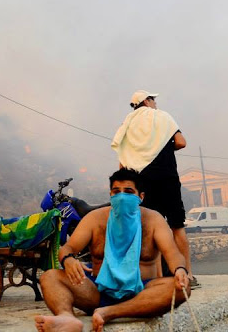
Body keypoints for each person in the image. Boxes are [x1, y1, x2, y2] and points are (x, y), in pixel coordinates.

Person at [35, 169, 190, 332]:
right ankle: (66, 317)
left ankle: (109, 313)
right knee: (49, 277)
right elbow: (68, 248)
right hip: (98, 291)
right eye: (116, 192)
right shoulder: (95, 218)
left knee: (181, 288)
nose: (122, 197)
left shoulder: (154, 219)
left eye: (128, 191)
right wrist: (69, 260)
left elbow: (173, 253)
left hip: (142, 293)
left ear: (140, 197)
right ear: (110, 195)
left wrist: (180, 269)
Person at [111, 90, 194, 283]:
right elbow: (181, 142)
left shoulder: (127, 124)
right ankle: (188, 274)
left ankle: (156, 278)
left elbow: (123, 162)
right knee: (177, 226)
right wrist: (163, 147)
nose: (155, 103)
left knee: (149, 228)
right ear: (147, 101)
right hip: (167, 178)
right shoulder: (162, 116)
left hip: (143, 183)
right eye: (153, 99)